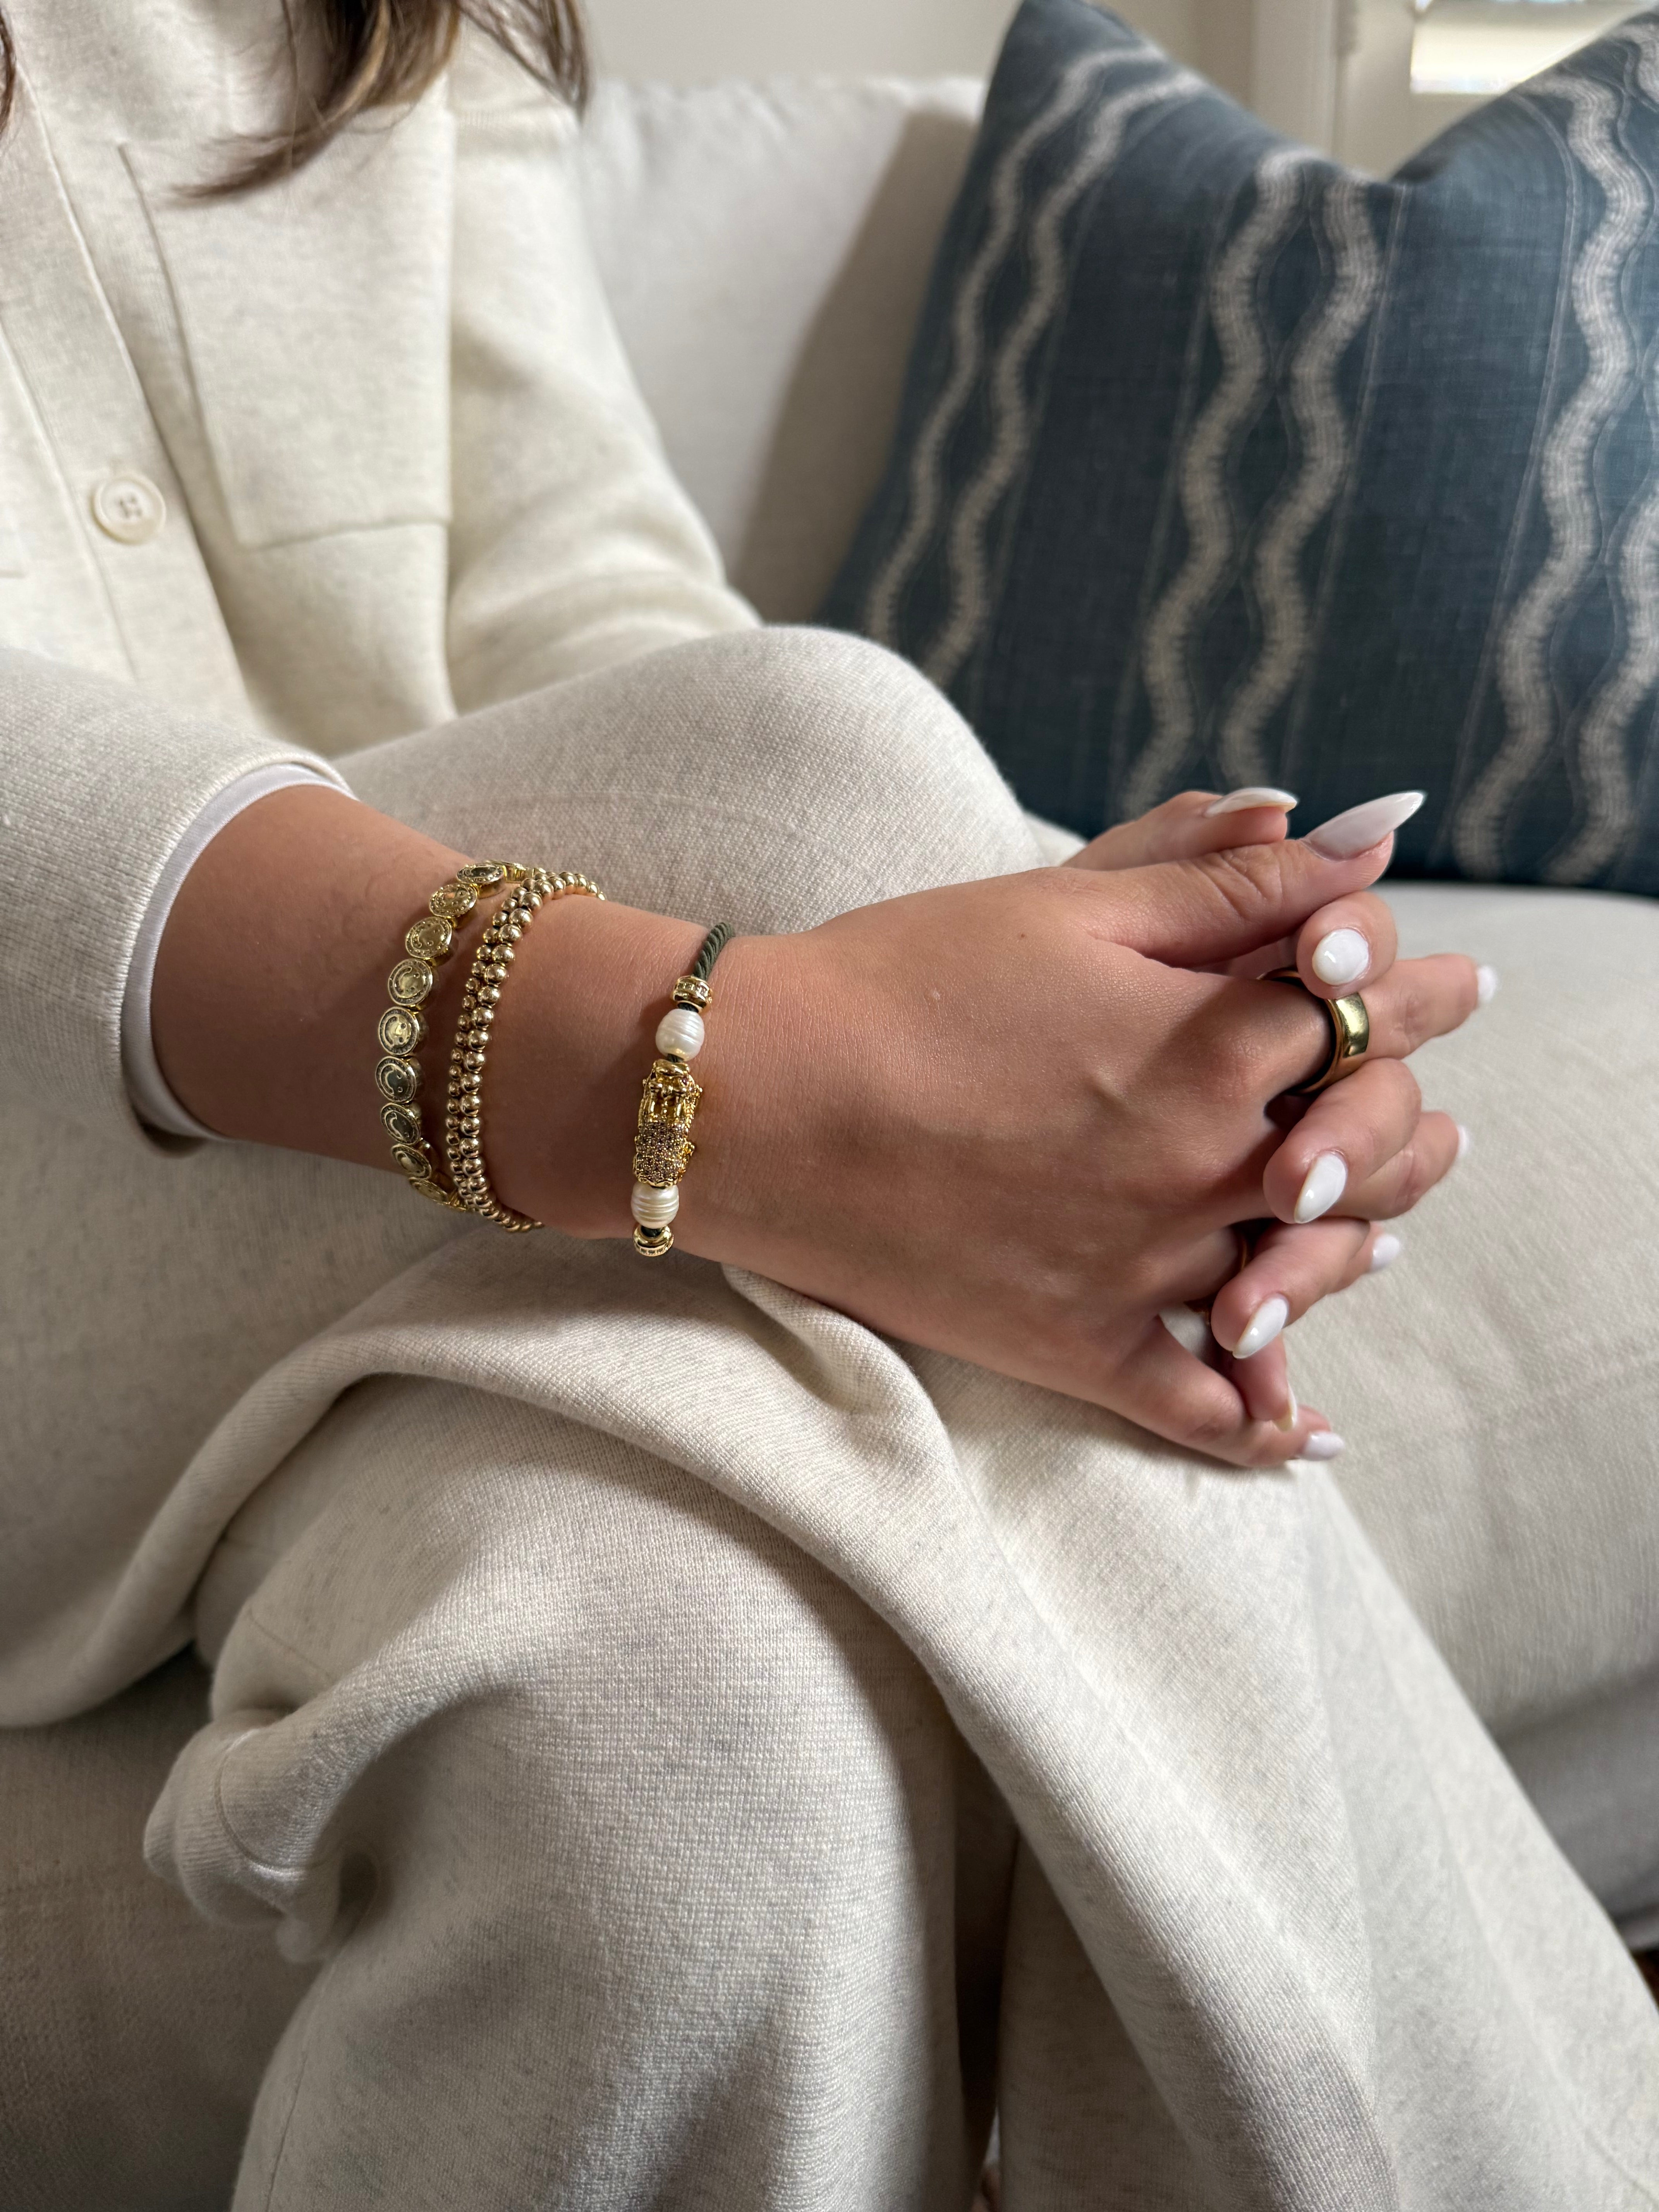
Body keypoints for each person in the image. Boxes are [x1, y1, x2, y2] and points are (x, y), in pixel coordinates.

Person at [1, 2, 1655, 2205]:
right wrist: (760, 1046)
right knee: (823, 763)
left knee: (669, 1725)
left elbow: (591, 606)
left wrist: (1027, 1012)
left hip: (378, 1243)